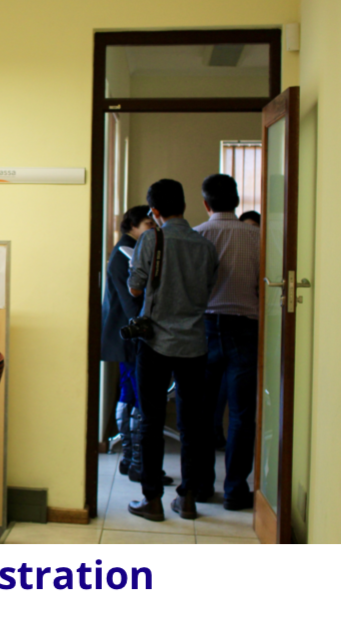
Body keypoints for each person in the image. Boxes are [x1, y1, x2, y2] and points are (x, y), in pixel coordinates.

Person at [126, 179, 218, 521]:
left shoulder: (151, 239)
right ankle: (188, 498)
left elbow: (135, 288)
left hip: (155, 342)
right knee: (193, 423)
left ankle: (152, 500)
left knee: (151, 421)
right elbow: (209, 289)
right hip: (194, 343)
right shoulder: (205, 245)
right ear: (184, 205)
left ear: (155, 211)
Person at [194, 175, 260, 511]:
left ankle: (201, 485)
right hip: (245, 330)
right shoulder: (257, 236)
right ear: (236, 202)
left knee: (202, 413)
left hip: (204, 327)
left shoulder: (196, 235)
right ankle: (235, 490)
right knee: (242, 415)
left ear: (206, 204)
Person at [101, 207, 154, 476]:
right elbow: (130, 301)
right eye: (147, 224)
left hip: (127, 333)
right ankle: (137, 462)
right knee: (135, 392)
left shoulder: (130, 249)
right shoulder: (125, 252)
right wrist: (144, 329)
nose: (152, 228)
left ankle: (131, 460)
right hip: (130, 334)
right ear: (132, 225)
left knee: (130, 391)